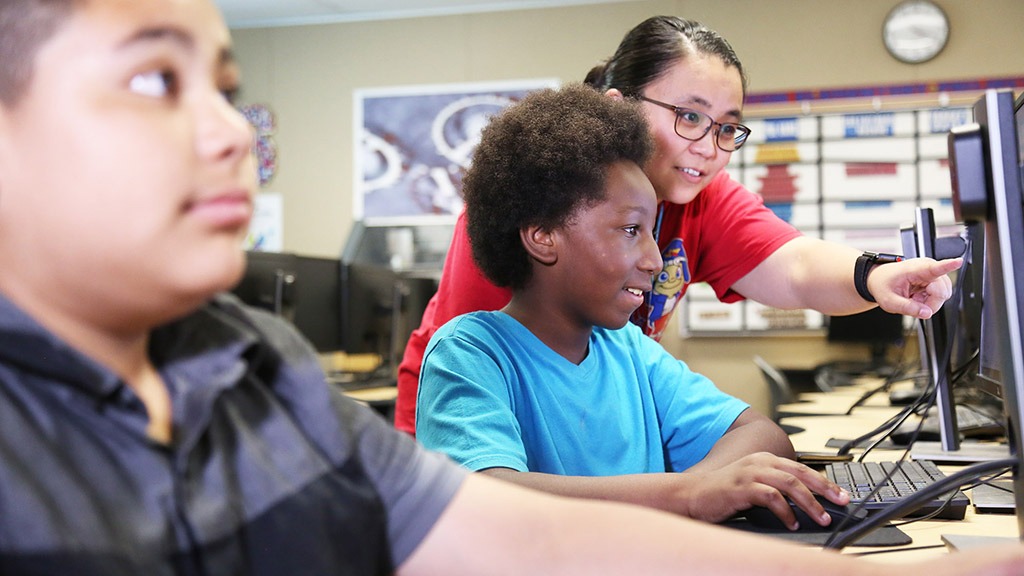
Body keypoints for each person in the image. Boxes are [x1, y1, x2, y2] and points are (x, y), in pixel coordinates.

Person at [3, 1, 1023, 574]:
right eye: (153, 81)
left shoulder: (255, 366)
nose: (233, 136)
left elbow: (785, 261)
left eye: (228, 91)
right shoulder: (488, 326)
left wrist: (879, 277)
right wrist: (678, 488)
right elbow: (490, 485)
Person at [394, 15, 962, 436]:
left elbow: (792, 264)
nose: (709, 147)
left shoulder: (702, 200)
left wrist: (876, 277)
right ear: (619, 107)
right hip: (467, 429)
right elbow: (470, 363)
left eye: (727, 128)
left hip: (594, 426)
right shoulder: (532, 198)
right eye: (689, 116)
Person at [416, 82, 848, 529]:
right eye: (629, 230)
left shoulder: (627, 348)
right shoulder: (468, 353)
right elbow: (487, 494)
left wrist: (698, 490)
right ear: (543, 237)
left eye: (651, 231)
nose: (655, 259)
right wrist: (686, 495)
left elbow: (763, 435)